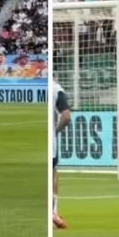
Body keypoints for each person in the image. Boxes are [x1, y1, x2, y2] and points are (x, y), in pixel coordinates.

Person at [52, 78, 71, 229]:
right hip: (50, 143)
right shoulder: (56, 89)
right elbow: (66, 116)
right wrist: (55, 131)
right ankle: (53, 212)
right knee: (53, 174)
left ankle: (53, 212)